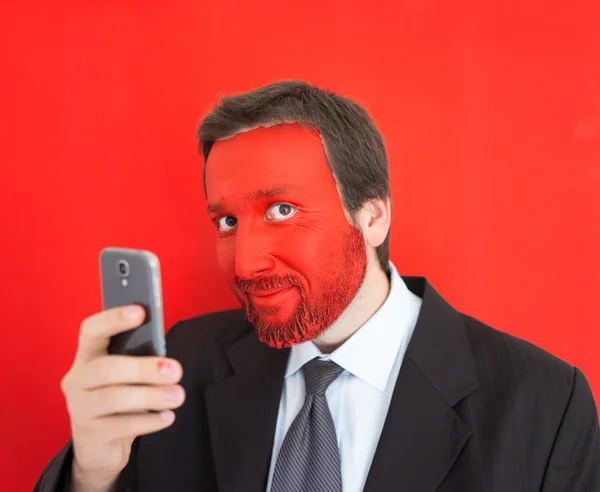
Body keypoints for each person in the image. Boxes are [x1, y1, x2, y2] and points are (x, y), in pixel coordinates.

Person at [36, 81, 599, 492]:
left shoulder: (545, 405)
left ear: (373, 217)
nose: (247, 264)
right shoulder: (179, 367)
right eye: (227, 223)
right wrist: (92, 473)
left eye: (282, 210)